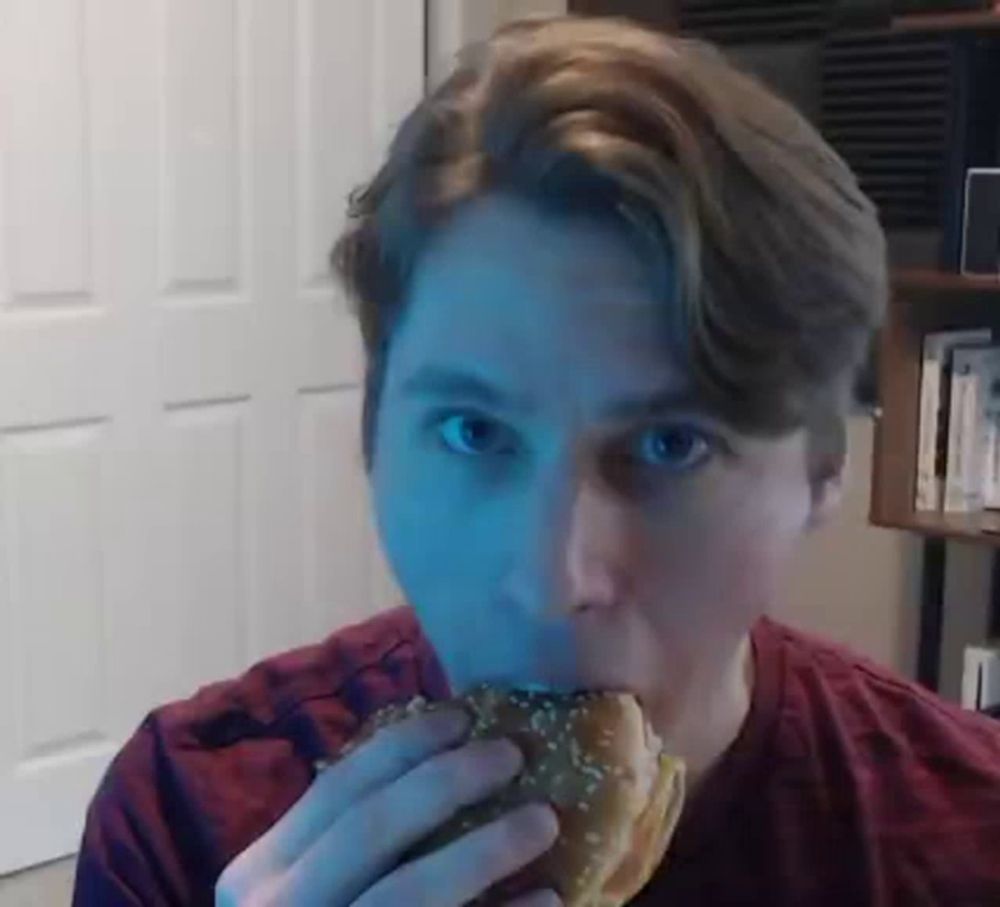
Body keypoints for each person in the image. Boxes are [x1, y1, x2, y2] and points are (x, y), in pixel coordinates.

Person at [73, 14, 1000, 906]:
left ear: (822, 474)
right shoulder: (187, 820)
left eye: (669, 444)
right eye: (474, 431)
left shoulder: (968, 840)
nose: (550, 579)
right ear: (372, 431)